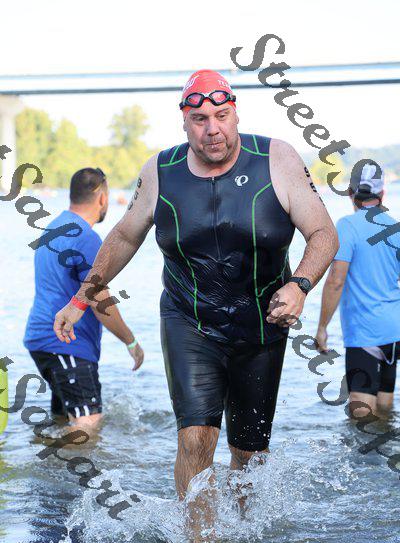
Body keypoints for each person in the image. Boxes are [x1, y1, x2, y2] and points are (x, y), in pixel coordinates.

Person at [53, 70, 338, 498]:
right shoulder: (161, 170)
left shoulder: (277, 159)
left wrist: (299, 285)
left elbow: (324, 234)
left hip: (262, 324)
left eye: (221, 116)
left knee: (249, 453)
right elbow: (125, 236)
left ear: (235, 115)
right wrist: (81, 299)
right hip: (189, 321)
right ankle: (200, 538)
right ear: (184, 123)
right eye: (200, 120)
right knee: (194, 439)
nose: (212, 129)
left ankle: (246, 533)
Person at [24, 167, 144, 431]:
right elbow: (99, 299)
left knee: (62, 421)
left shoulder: (53, 228)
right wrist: (130, 341)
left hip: (42, 340)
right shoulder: (86, 238)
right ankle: (79, 461)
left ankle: (45, 458)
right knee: (87, 425)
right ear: (102, 198)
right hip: (66, 342)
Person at [316, 163, 400, 418]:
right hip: (394, 332)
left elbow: (336, 280)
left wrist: (322, 328)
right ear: (382, 194)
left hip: (365, 333)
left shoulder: (347, 225)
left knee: (361, 419)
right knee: (384, 412)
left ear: (351, 193)